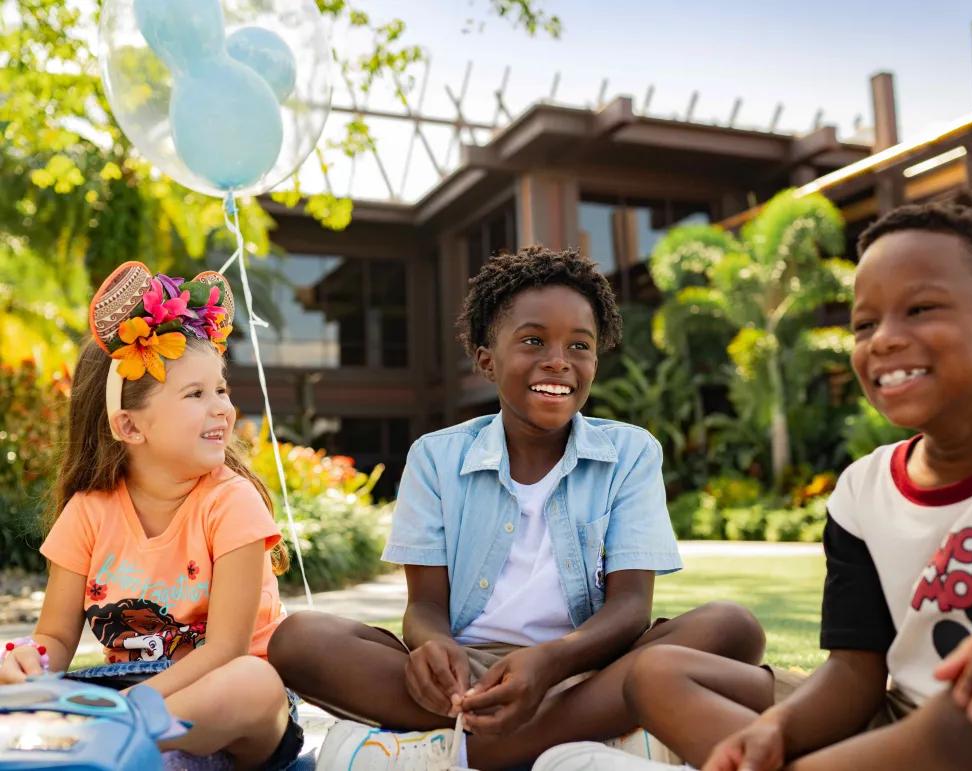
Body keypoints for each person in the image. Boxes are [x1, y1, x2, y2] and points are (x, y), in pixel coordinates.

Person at [532, 204, 972, 771]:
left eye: (920, 310)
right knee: (657, 671)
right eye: (864, 324)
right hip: (900, 723)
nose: (884, 340)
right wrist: (775, 730)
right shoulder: (863, 491)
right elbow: (855, 674)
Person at [269, 246, 765, 770]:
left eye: (580, 345)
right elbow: (425, 606)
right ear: (487, 360)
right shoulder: (436, 458)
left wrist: (549, 663)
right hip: (469, 676)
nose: (559, 360)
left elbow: (630, 609)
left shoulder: (630, 453)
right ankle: (568, 737)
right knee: (299, 640)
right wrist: (433, 647)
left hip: (589, 667)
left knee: (731, 626)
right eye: (533, 341)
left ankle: (467, 749)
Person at [0, 262, 303, 769]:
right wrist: (30, 660)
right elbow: (55, 636)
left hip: (217, 711)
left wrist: (129, 709)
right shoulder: (88, 513)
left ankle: (109, 740)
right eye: (196, 394)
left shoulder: (232, 503)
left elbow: (227, 649)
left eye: (221, 389)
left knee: (254, 682)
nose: (223, 409)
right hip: (122, 698)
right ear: (130, 426)